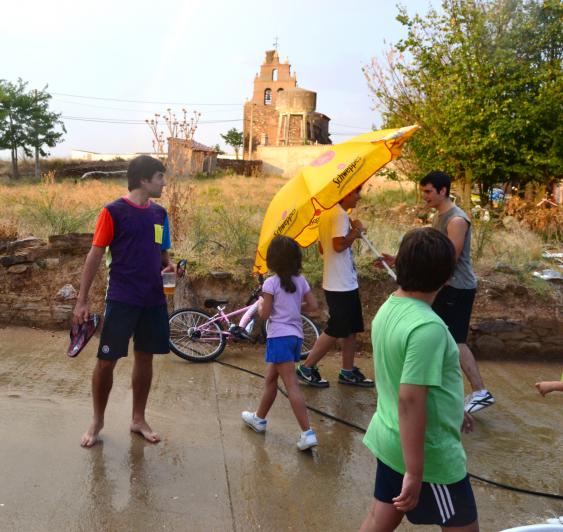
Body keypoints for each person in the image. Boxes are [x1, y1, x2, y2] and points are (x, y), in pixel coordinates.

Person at [361, 228, 478, 532]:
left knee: (378, 519)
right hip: (428, 456)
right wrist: (415, 472)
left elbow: (411, 380)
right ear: (448, 278)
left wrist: (454, 409)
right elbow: (410, 399)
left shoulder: (389, 307)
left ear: (400, 264)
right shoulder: (428, 328)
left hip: (391, 438)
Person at [73, 155, 174, 448]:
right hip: (122, 298)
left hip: (153, 299)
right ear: (143, 179)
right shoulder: (113, 212)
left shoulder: (160, 214)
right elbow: (95, 255)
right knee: (106, 362)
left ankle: (138, 419)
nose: (164, 183)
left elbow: (162, 253)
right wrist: (81, 301)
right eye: (160, 177)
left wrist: (169, 265)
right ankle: (97, 420)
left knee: (145, 357)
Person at [381, 171, 494, 413]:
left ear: (443, 191)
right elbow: (431, 254)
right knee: (444, 337)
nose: (424, 196)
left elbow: (447, 260)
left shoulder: (456, 220)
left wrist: (430, 287)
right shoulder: (440, 216)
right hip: (444, 285)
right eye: (423, 191)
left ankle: (480, 391)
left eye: (428, 191)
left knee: (455, 339)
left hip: (457, 287)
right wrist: (399, 260)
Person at [241, 236, 320, 451]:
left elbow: (265, 314)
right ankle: (259, 419)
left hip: (279, 338)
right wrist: (294, 308)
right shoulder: (300, 280)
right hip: (295, 337)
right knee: (270, 379)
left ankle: (307, 433)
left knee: (291, 385)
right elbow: (314, 307)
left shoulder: (271, 283)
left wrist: (260, 305)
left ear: (272, 260)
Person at [296, 186, 373, 388]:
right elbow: (337, 246)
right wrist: (355, 232)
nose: (359, 197)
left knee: (352, 327)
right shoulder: (339, 215)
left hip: (342, 280)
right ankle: (306, 368)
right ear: (345, 194)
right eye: (356, 192)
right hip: (341, 283)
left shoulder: (327, 214)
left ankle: (347, 371)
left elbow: (324, 247)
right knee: (337, 327)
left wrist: (351, 232)